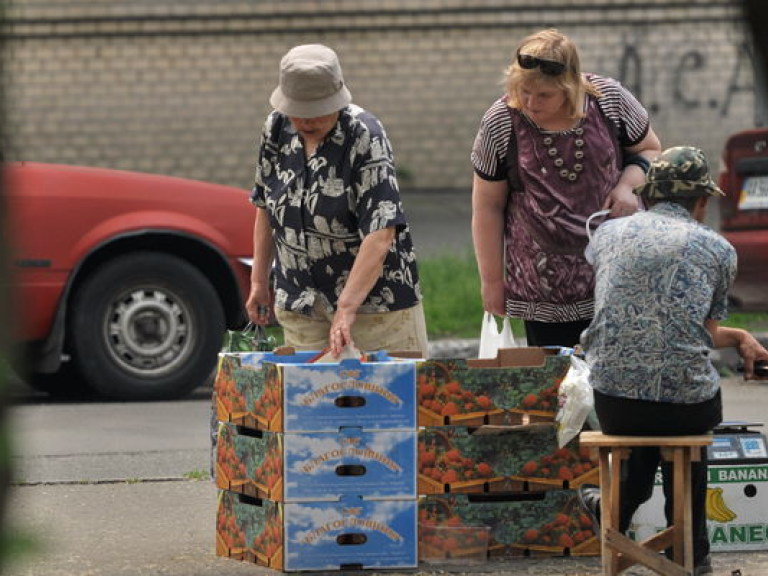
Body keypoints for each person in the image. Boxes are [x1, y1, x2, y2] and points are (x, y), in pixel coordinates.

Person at [577, 146, 768, 576]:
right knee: (684, 433)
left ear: (650, 195)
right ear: (702, 201)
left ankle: (615, 512)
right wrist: (739, 338)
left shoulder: (608, 235)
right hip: (688, 407)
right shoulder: (718, 250)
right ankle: (691, 555)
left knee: (645, 413)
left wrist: (738, 338)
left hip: (614, 402)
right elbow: (703, 328)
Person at [471, 28, 661, 347]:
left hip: (616, 274)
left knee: (616, 376)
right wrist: (491, 281)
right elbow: (487, 205)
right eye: (523, 90)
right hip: (542, 287)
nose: (530, 102)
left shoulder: (608, 100)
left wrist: (628, 186)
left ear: (570, 86)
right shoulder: (501, 120)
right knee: (558, 388)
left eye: (544, 95)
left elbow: (650, 149)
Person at [245, 43, 428, 358]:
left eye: (317, 112)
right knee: (311, 403)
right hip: (301, 304)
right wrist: (260, 280)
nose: (306, 121)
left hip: (374, 308)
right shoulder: (276, 128)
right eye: (298, 112)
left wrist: (346, 307)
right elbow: (265, 207)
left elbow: (381, 232)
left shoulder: (365, 135)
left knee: (386, 402)